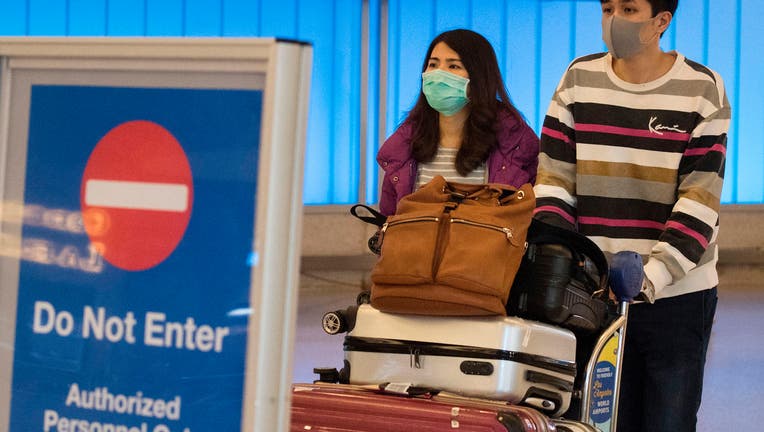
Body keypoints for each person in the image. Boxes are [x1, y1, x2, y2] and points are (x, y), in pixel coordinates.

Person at [533, 0, 730, 431]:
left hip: (677, 295)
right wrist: (567, 266)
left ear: (661, 21)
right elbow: (553, 181)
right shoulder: (577, 78)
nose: (613, 20)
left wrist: (651, 276)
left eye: (629, 8)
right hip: (593, 296)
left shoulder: (702, 88)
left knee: (667, 421)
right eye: (606, 8)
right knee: (599, 423)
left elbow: (699, 199)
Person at [376, 29, 539, 216]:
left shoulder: (513, 143)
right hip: (415, 244)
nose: (438, 75)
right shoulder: (404, 144)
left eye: (453, 66)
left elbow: (526, 217)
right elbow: (389, 218)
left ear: (479, 77)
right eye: (433, 64)